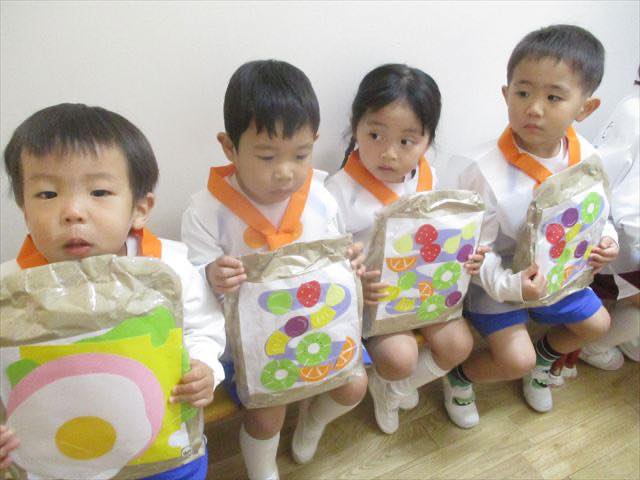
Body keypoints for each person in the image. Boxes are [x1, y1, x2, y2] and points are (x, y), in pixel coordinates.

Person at [0, 103, 226, 479]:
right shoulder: (10, 291)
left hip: (163, 452)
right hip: (59, 465)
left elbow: (204, 327)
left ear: (140, 208)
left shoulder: (166, 268)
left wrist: (205, 367)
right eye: (47, 194)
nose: (73, 211)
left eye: (99, 191)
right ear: (25, 209)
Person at [181, 60, 368, 480]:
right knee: (268, 413)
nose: (286, 171)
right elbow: (191, 287)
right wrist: (210, 275)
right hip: (252, 342)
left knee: (354, 385)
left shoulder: (319, 195)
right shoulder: (206, 212)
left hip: (318, 323)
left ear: (314, 142)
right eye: (266, 156)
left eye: (300, 154)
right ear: (229, 147)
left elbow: (337, 251)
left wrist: (350, 262)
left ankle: (313, 422)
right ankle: (263, 468)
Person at [446, 24, 619, 428]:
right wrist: (513, 287)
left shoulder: (586, 155)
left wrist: (607, 241)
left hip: (559, 276)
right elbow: (474, 257)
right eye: (523, 93)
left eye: (554, 97)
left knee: (598, 324)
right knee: (514, 360)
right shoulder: (482, 171)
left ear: (585, 108)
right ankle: (460, 377)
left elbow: (598, 215)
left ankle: (545, 359)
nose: (534, 108)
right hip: (499, 282)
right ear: (506, 94)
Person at [325, 64, 487, 434]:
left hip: (424, 289)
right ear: (355, 127)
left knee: (459, 344)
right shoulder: (338, 191)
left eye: (406, 142)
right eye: (375, 135)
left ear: (427, 141)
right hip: (376, 300)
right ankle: (392, 380)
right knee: (400, 356)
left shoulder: (428, 176)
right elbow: (331, 266)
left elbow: (441, 234)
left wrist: (467, 255)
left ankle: (392, 388)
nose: (388, 153)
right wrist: (357, 284)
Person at [575, 67, 640, 370]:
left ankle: (615, 335)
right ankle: (594, 345)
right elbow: (620, 197)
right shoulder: (634, 112)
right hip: (618, 236)